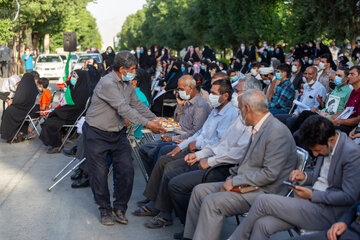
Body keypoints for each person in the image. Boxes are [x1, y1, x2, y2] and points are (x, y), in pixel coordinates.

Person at [182, 90, 297, 240]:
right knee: (199, 191)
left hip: (265, 191)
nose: (239, 112)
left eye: (240, 108)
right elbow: (248, 161)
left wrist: (234, 181)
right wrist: (233, 178)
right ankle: (190, 237)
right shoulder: (260, 127)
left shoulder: (276, 132)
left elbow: (270, 174)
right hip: (247, 182)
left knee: (212, 202)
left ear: (247, 109)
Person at [231, 115, 360, 240]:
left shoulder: (352, 154)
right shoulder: (325, 144)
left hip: (329, 212)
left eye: (317, 150)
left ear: (331, 140)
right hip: (312, 204)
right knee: (263, 225)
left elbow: (349, 197)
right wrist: (304, 177)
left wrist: (311, 195)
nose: (315, 154)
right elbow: (321, 179)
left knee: (262, 201)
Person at [133, 79, 238, 228]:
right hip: (197, 147)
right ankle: (155, 200)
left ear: (226, 95)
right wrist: (181, 146)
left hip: (209, 155)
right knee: (166, 156)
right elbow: (200, 133)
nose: (211, 96)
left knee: (169, 165)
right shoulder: (216, 110)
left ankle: (164, 211)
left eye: (214, 93)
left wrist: (192, 145)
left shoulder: (230, 115)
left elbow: (218, 143)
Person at [83, 50, 166, 226]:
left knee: (127, 170)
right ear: (122, 69)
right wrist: (147, 125)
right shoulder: (107, 83)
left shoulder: (127, 85)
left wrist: (155, 119)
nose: (135, 72)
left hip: (117, 133)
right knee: (99, 174)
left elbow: (136, 104)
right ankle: (104, 209)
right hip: (97, 133)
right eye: (133, 69)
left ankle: (119, 208)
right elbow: (124, 109)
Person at [139, 75, 211, 177]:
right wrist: (180, 106)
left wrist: (174, 138)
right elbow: (178, 122)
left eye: (181, 89)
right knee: (144, 149)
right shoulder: (188, 101)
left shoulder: (200, 105)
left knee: (159, 150)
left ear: (190, 88)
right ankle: (152, 179)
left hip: (185, 140)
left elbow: (195, 132)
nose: (179, 92)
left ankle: (154, 180)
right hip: (177, 136)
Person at [39, 70, 91, 153]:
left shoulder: (82, 90)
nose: (73, 78)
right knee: (51, 118)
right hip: (71, 112)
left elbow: (76, 106)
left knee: (50, 122)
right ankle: (58, 140)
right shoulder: (79, 87)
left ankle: (57, 145)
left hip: (73, 115)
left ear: (80, 78)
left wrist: (58, 111)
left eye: (75, 77)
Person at [290, 200, 360, 240]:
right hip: (342, 231)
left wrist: (313, 195)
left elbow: (347, 196)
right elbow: (355, 207)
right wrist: (344, 222)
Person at [0, 73, 38, 142]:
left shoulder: (24, 89)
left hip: (25, 110)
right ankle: (17, 133)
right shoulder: (33, 88)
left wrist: (13, 102)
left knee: (9, 112)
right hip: (29, 109)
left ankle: (11, 134)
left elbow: (19, 100)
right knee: (9, 111)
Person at [330, 66, 360, 134]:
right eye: (349, 74)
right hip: (345, 121)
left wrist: (339, 121)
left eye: (352, 74)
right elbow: (345, 109)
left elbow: (358, 119)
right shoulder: (353, 91)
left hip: (353, 127)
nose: (349, 76)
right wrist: (332, 118)